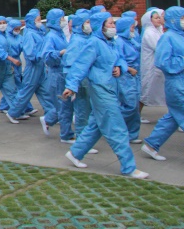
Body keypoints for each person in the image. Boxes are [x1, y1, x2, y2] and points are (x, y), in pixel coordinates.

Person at [62, 12, 148, 179]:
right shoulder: (94, 43)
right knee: (117, 127)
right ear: (100, 26)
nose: (113, 27)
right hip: (100, 89)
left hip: (110, 87)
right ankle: (128, 167)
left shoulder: (111, 42)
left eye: (113, 24)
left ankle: (75, 153)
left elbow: (120, 59)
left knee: (96, 125)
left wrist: (120, 67)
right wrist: (71, 85)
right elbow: (80, 65)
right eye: (110, 23)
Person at [142, 7, 184, 168]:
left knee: (174, 117)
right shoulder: (168, 37)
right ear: (173, 20)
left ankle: (151, 144)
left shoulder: (181, 36)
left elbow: (183, 58)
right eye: (183, 17)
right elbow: (162, 62)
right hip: (176, 84)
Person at [19, 9, 61, 130]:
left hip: (40, 66)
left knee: (45, 91)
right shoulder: (29, 34)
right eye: (37, 20)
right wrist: (41, 56)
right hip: (33, 66)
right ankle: (14, 112)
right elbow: (30, 53)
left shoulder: (39, 32)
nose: (40, 22)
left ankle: (51, 114)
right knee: (26, 91)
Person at [58, 10, 92, 141]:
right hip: (81, 81)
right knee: (82, 110)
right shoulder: (78, 41)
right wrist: (73, 84)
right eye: (87, 22)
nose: (90, 25)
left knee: (85, 109)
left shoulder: (85, 39)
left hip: (85, 79)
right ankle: (81, 140)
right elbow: (70, 65)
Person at [115, 16, 142, 144]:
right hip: (125, 76)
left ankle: (131, 134)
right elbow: (117, 60)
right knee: (129, 105)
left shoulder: (130, 40)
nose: (133, 29)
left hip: (134, 76)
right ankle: (114, 125)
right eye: (131, 27)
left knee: (135, 106)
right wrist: (129, 69)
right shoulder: (119, 42)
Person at [140, 8, 166, 120]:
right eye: (156, 18)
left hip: (156, 66)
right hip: (150, 66)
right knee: (145, 91)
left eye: (159, 17)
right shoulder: (149, 33)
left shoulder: (158, 31)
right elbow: (159, 47)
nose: (159, 20)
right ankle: (136, 116)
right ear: (149, 20)